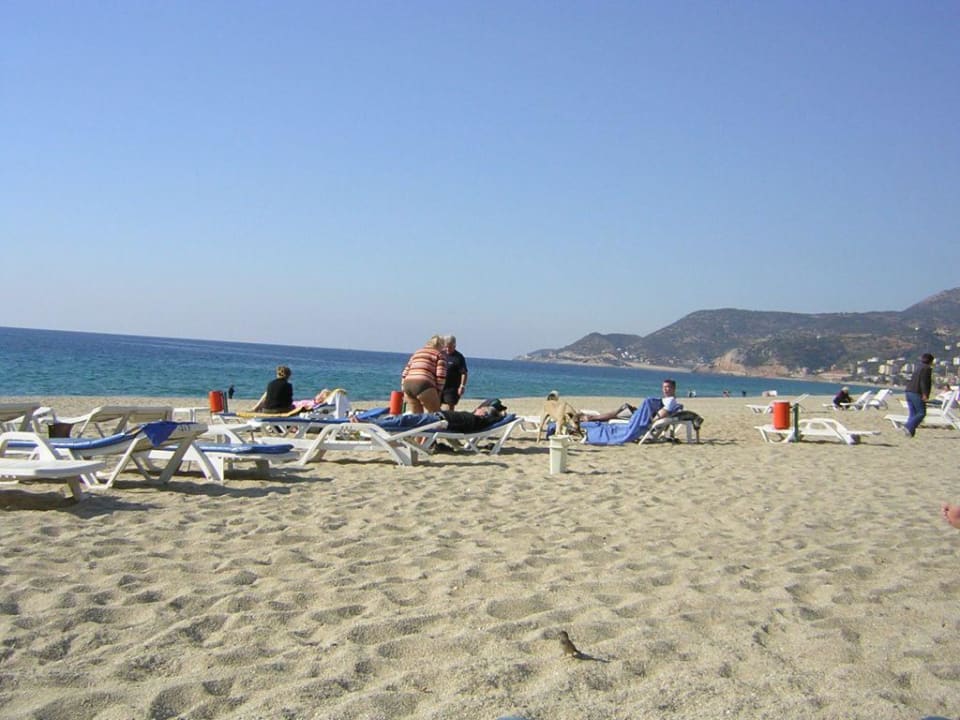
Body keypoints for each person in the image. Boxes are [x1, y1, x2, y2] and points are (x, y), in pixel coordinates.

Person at [581, 379, 681, 423]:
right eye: (664, 387)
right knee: (620, 411)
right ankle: (593, 418)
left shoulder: (670, 401)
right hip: (643, 415)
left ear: (673, 388)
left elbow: (662, 413)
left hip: (643, 418)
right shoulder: (669, 400)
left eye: (668, 387)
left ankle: (592, 418)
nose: (665, 389)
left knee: (617, 414)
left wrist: (651, 422)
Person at [401, 335, 447, 414]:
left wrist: (403, 388)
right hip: (423, 384)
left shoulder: (417, 352)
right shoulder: (439, 355)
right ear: (440, 346)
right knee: (436, 414)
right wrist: (438, 392)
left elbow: (405, 372)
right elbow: (440, 376)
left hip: (408, 384)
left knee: (417, 416)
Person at [903, 352, 934, 437]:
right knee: (921, 413)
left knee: (913, 413)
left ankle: (910, 433)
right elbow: (923, 382)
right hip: (916, 392)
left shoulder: (918, 367)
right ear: (931, 361)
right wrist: (925, 394)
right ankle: (908, 426)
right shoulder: (926, 368)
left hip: (909, 391)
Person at [440, 335, 469, 411]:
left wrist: (462, 386)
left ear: (454, 346)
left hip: (452, 388)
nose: (447, 349)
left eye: (450, 347)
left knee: (449, 407)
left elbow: (464, 373)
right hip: (440, 385)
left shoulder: (459, 357)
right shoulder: (441, 354)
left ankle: (449, 418)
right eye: (446, 347)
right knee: (435, 405)